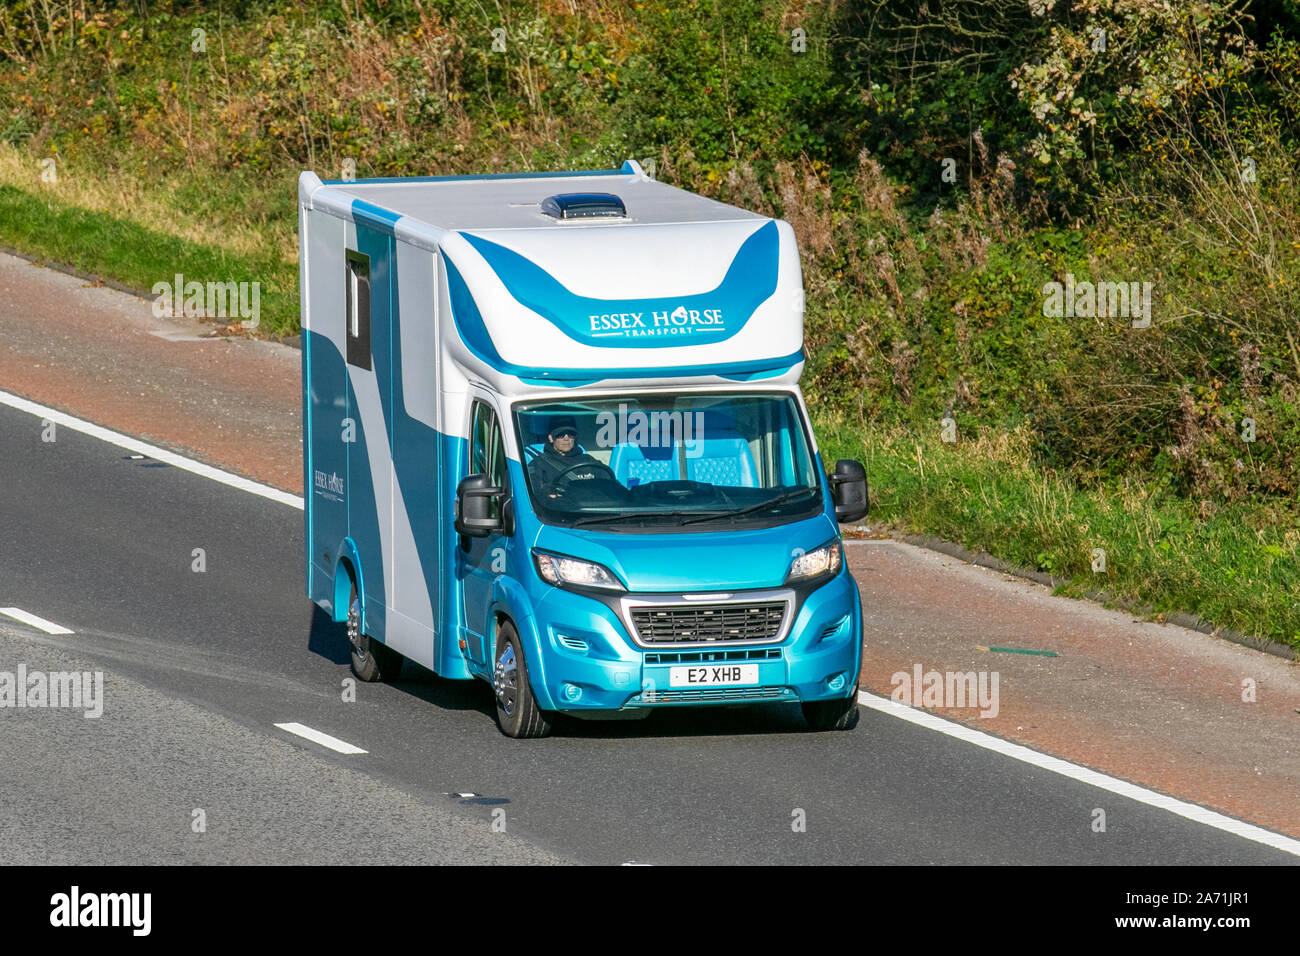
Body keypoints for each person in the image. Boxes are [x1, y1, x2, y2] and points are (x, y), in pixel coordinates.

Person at [528, 415, 606, 496]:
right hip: (558, 507)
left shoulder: (589, 461)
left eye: (571, 434)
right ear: (551, 438)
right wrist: (547, 494)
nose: (566, 438)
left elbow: (610, 484)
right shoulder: (539, 464)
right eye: (560, 434)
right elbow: (532, 494)